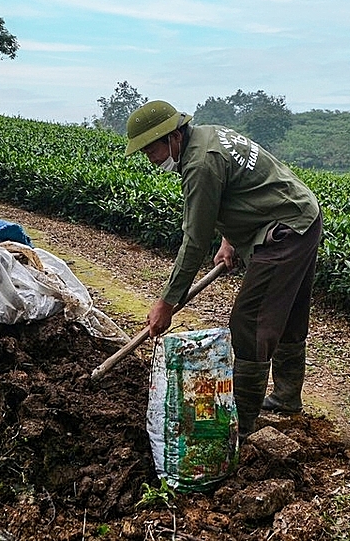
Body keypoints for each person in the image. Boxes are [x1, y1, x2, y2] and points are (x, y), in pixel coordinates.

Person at [125, 100, 323, 436]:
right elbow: (240, 191)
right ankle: (288, 398)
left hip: (285, 231)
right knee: (288, 314)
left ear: (173, 136)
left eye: (151, 148)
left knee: (249, 321)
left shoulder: (200, 163)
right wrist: (230, 240)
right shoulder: (207, 136)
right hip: (301, 216)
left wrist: (167, 302)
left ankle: (242, 424)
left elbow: (194, 240)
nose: (151, 158)